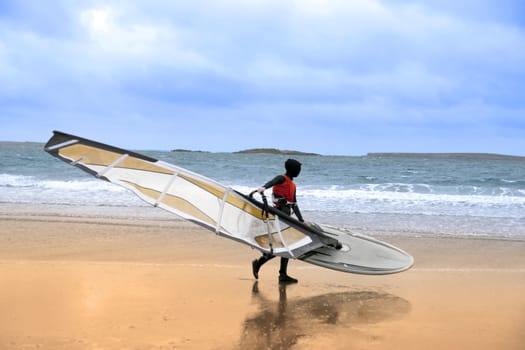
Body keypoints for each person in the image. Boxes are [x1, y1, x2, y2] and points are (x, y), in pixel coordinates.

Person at [252, 158, 304, 284]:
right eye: (298, 169)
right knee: (282, 246)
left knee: (286, 246)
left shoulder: (293, 185)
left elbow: (294, 204)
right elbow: (272, 182)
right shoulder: (282, 178)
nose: (299, 171)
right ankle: (260, 264)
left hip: (287, 218)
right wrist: (264, 187)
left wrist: (301, 220)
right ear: (293, 169)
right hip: (278, 217)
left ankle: (282, 274)